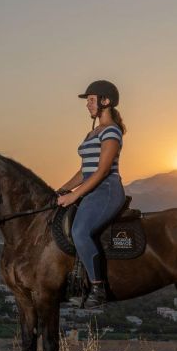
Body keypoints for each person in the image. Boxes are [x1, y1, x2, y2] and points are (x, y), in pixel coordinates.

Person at [55, 80, 127, 308]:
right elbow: (84, 170)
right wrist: (63, 189)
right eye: (87, 100)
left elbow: (102, 170)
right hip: (91, 187)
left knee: (80, 230)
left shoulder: (112, 131)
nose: (88, 104)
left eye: (91, 100)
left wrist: (75, 196)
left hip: (106, 189)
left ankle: (98, 287)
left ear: (106, 102)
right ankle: (74, 282)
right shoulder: (92, 133)